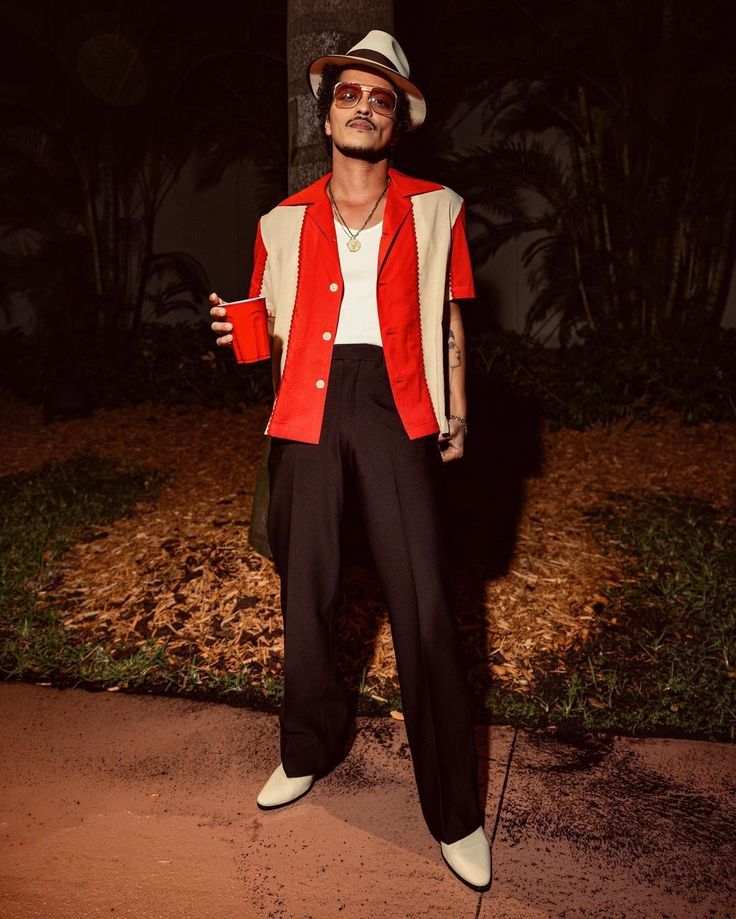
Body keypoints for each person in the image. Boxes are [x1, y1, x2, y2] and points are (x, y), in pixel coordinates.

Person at [209, 29, 491, 892]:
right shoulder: (279, 220)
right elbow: (268, 331)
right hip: (307, 407)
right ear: (326, 114)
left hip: (398, 399)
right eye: (347, 95)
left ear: (397, 119)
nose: (362, 108)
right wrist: (235, 334)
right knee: (308, 590)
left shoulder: (439, 206)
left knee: (427, 603)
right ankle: (305, 748)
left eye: (380, 98)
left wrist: (460, 406)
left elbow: (448, 318)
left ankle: (454, 810)